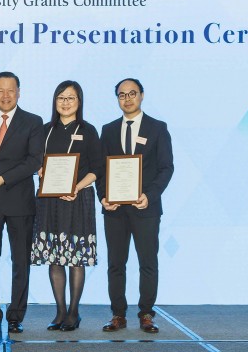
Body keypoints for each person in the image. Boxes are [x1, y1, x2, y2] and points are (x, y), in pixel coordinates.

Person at [96, 78, 174, 334]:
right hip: (115, 209)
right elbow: (100, 169)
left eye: (132, 93)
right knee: (116, 264)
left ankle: (146, 314)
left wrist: (149, 196)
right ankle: (118, 314)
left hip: (146, 208)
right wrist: (103, 196)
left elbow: (166, 168)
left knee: (147, 263)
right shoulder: (107, 130)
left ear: (141, 95)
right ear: (117, 98)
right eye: (121, 95)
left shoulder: (158, 128)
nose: (127, 99)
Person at [0, 71, 44, 334]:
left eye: (10, 90)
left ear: (19, 92)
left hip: (20, 201)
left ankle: (16, 315)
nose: (5, 95)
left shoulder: (33, 121)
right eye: (0, 90)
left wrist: (3, 178)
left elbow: (34, 160)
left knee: (20, 261)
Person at [31, 80, 104, 332]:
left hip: (78, 199)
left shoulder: (89, 130)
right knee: (54, 257)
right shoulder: (44, 130)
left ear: (79, 102)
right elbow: (34, 160)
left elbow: (98, 168)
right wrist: (39, 168)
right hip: (49, 201)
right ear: (55, 101)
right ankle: (60, 310)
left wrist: (77, 187)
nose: (65, 102)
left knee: (75, 258)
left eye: (71, 98)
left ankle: (74, 311)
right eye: (61, 97)